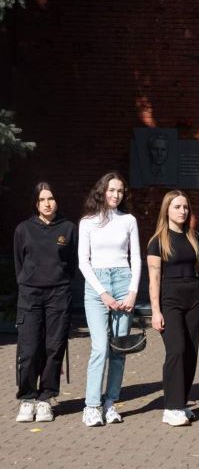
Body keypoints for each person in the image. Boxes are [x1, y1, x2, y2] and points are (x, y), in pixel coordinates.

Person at [147, 190, 199, 426]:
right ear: (167, 210)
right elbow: (154, 278)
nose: (182, 211)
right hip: (170, 299)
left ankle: (181, 402)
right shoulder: (157, 241)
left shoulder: (193, 237)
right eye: (177, 207)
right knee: (177, 350)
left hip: (194, 299)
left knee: (190, 352)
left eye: (185, 207)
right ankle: (171, 408)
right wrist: (155, 311)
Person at [78, 172, 141, 427]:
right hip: (97, 286)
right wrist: (102, 292)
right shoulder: (87, 222)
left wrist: (133, 292)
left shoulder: (129, 220)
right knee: (100, 347)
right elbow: (83, 262)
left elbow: (136, 258)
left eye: (120, 191)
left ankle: (110, 402)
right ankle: (91, 406)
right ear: (102, 191)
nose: (116, 195)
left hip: (124, 282)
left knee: (119, 348)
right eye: (112, 190)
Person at [13, 183, 78, 423]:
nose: (47, 203)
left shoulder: (68, 229)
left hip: (58, 295)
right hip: (30, 296)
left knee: (54, 347)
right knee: (29, 349)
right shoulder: (23, 229)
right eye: (42, 200)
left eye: (51, 198)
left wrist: (60, 283)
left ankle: (45, 399)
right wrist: (28, 282)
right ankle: (27, 398)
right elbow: (19, 263)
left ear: (57, 201)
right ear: (36, 203)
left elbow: (72, 264)